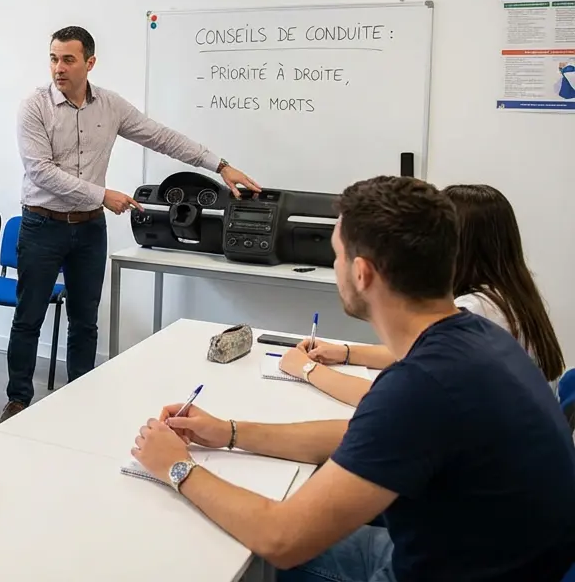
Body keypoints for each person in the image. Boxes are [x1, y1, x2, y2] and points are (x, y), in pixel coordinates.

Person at [130, 176, 575, 582]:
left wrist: (176, 465)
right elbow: (356, 435)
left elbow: (282, 539)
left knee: (239, 550)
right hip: (486, 557)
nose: (334, 263)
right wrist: (228, 432)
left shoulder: (424, 385)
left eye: (337, 254)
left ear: (361, 273)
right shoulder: (475, 338)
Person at [3, 25, 261, 422]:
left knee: (85, 320)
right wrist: (102, 194)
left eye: (68, 59)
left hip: (89, 230)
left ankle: (79, 399)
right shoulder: (33, 107)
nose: (58, 68)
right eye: (53, 58)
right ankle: (18, 401)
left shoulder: (110, 106)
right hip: (42, 225)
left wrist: (220, 166)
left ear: (90, 63)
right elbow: (41, 173)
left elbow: (162, 138)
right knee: (28, 317)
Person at [279, 183, 565, 407]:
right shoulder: (507, 294)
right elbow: (417, 357)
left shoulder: (474, 312)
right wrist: (345, 352)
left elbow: (386, 399)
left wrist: (305, 369)